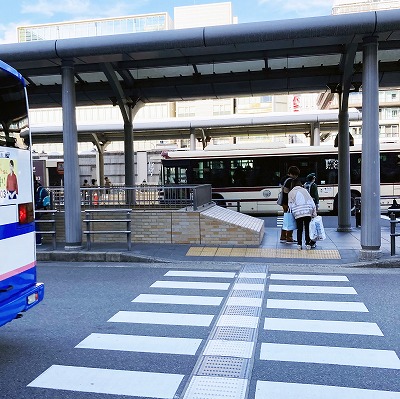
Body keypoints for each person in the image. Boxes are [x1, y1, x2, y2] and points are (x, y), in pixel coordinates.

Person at [288, 178, 317, 250]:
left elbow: (290, 205)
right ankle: (308, 244)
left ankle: (299, 245)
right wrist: (314, 213)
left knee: (299, 229)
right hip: (307, 211)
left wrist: (293, 212)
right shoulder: (305, 190)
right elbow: (311, 201)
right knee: (307, 228)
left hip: (298, 213)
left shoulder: (291, 192)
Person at [279, 165, 300, 243]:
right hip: (288, 203)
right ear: (292, 174)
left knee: (286, 219)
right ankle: (289, 237)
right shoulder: (290, 180)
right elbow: (287, 191)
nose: (296, 176)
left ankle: (283, 236)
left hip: (284, 202)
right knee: (290, 219)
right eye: (296, 174)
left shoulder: (283, 179)